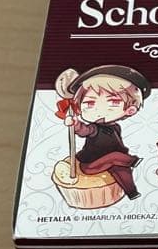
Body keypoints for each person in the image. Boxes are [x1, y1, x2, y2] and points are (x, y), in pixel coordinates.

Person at [58, 64, 150, 200]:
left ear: (130, 110)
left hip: (114, 161)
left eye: (113, 102)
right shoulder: (94, 128)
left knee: (121, 169)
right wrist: (76, 125)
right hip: (91, 164)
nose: (99, 109)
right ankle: (131, 160)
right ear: (79, 108)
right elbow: (84, 130)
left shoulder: (115, 127)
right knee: (115, 157)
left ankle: (131, 192)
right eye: (90, 103)